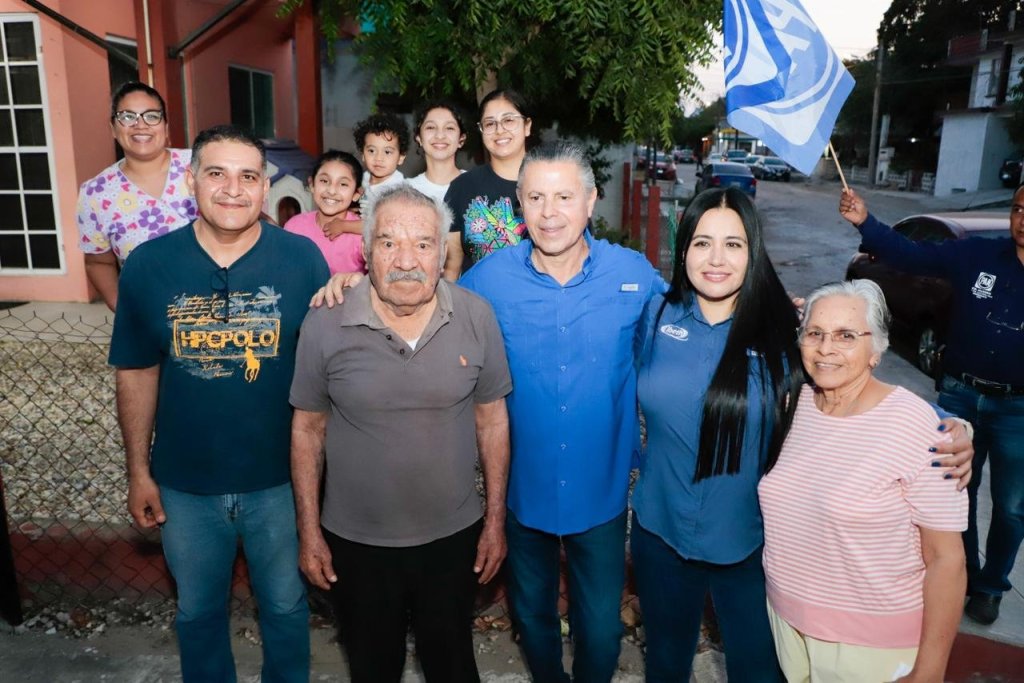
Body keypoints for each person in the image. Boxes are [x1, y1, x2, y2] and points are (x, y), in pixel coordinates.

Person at [109, 124, 329, 683]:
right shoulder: (148, 265)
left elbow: (331, 369)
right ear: (191, 181)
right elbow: (136, 371)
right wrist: (138, 471)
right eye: (217, 174)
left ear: (265, 187)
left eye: (248, 176)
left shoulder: (303, 260)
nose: (233, 189)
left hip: (280, 483)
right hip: (185, 487)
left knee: (285, 608)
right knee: (198, 614)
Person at [290, 183, 512, 682]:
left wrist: (495, 520)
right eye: (389, 242)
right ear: (366, 252)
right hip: (356, 543)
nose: (406, 260)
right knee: (372, 668)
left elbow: (492, 419)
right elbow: (307, 429)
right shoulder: (325, 321)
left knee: (453, 666)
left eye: (423, 243)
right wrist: (308, 531)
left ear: (442, 254)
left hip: (453, 539)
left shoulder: (476, 316)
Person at [459, 141, 663, 683]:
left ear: (591, 201)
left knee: (601, 630)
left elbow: (690, 323)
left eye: (564, 197)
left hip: (601, 492)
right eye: (536, 198)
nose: (549, 213)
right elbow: (427, 314)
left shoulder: (633, 274)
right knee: (532, 617)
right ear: (519, 205)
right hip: (523, 491)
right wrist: (350, 285)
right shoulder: (487, 281)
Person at [631, 187, 803, 682]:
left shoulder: (785, 331)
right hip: (661, 533)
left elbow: (855, 389)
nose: (716, 259)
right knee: (666, 665)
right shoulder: (655, 316)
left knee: (758, 671)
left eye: (733, 244)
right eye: (702, 242)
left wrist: (952, 425)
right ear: (683, 248)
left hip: (749, 543)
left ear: (754, 252)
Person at [759, 279, 968, 682]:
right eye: (815, 333)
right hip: (786, 627)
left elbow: (947, 559)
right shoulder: (791, 405)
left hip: (872, 646)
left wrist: (930, 670)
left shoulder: (918, 426)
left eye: (846, 336)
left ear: (877, 350)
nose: (826, 348)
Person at [840, 187, 1024, 625]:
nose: (1023, 219)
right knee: (955, 495)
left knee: (1012, 507)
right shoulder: (978, 255)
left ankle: (991, 587)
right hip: (960, 396)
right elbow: (912, 255)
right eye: (1019, 209)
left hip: (1017, 410)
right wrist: (865, 221)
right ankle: (965, 573)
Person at [77, 81, 197, 310]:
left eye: (152, 116)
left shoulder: (202, 165)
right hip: (150, 318)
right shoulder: (96, 193)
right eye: (127, 116)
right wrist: (124, 310)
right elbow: (98, 262)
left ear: (165, 126)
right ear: (113, 128)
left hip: (225, 312)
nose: (140, 125)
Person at [443, 89, 532, 279]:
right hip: (475, 297)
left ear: (527, 126)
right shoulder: (462, 187)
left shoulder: (552, 183)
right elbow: (451, 268)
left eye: (509, 120)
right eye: (490, 123)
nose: (499, 130)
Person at [283, 150, 366, 274]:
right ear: (312, 184)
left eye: (343, 184)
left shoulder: (361, 235)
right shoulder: (294, 226)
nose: (331, 191)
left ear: (356, 194)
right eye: (324, 181)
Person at [406, 99, 467, 202]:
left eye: (449, 128)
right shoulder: (406, 191)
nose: (440, 135)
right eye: (431, 127)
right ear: (419, 138)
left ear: (461, 139)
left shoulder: (477, 185)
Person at [354, 112, 409, 201]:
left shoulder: (400, 191)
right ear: (363, 154)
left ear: (401, 157)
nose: (378, 158)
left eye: (387, 152)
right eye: (371, 151)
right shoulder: (361, 179)